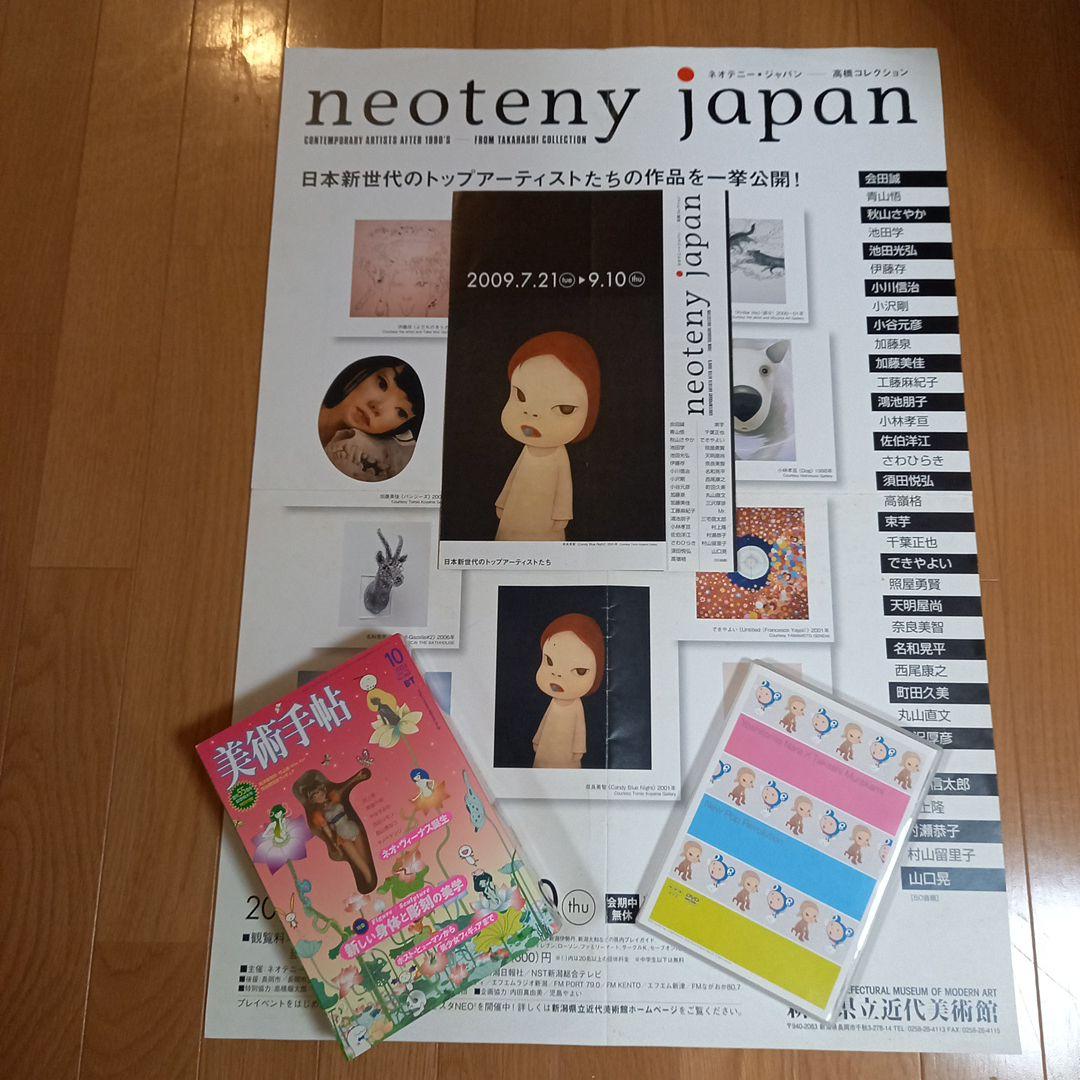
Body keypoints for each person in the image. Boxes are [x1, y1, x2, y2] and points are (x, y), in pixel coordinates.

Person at [495, 331, 600, 541]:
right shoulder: (527, 450)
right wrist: (503, 501)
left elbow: (563, 487)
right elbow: (514, 476)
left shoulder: (559, 456)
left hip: (544, 519)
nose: (533, 415)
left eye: (564, 409)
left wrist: (562, 513)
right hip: (516, 510)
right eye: (520, 396)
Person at [318, 356, 425, 482]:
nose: (378, 407)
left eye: (401, 412)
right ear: (366, 369)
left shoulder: (373, 468)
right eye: (382, 384)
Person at [531, 613, 605, 769]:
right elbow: (546, 721)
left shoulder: (576, 706)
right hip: (546, 748)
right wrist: (538, 739)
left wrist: (578, 749)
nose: (557, 675)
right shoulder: (554, 702)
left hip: (566, 754)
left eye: (579, 671)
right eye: (549, 661)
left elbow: (579, 729)